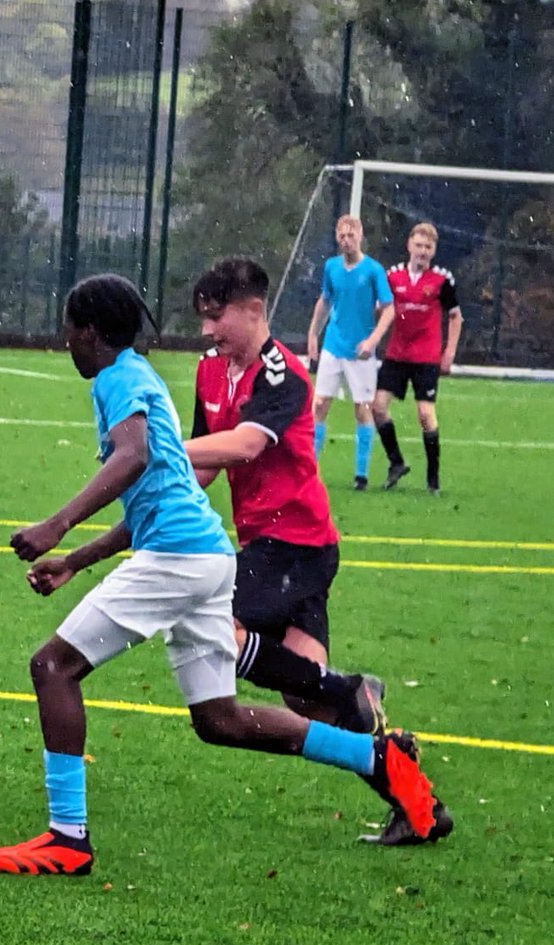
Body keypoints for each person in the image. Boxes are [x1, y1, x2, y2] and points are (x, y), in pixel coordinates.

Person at [0, 273, 440, 876]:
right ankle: (377, 758)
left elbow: (133, 458)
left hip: (180, 560)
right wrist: (75, 561)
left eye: (69, 332)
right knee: (219, 721)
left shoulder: (119, 379)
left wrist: (57, 525)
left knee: (52, 667)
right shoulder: (141, 379)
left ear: (91, 333)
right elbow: (157, 498)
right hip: (204, 556)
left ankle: (67, 838)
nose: (66, 343)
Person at [185, 256, 452, 848]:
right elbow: (204, 464)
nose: (207, 331)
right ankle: (421, 807)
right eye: (202, 319)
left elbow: (247, 445)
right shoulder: (209, 372)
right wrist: (148, 497)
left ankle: (350, 689)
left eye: (217, 317)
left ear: (254, 311)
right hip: (278, 544)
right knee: (303, 692)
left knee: (215, 632)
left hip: (294, 544)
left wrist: (161, 451)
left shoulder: (283, 376)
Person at [373, 222, 463, 494]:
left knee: (425, 414)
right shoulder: (393, 277)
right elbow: (382, 309)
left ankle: (432, 479)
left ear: (434, 251)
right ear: (409, 245)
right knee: (377, 407)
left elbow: (455, 316)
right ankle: (396, 462)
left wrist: (449, 352)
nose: (422, 251)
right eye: (419, 245)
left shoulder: (441, 280)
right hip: (397, 354)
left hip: (426, 357)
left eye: (428, 247)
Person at [307, 215, 394, 490]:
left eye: (351, 235)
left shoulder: (373, 270)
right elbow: (325, 300)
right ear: (337, 237)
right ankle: (310, 472)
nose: (346, 240)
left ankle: (361, 474)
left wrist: (372, 341)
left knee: (362, 409)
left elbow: (389, 309)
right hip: (334, 344)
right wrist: (312, 334)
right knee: (319, 405)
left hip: (360, 352)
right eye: (341, 236)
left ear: (360, 235)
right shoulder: (331, 267)